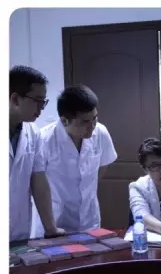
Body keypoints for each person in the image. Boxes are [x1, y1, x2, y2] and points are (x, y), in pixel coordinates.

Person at [32, 85, 117, 237]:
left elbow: (104, 164)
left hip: (89, 218)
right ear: (65, 121)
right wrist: (50, 226)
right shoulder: (44, 140)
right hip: (55, 220)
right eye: (85, 122)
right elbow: (36, 182)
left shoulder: (101, 133)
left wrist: (86, 189)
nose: (92, 126)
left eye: (95, 118)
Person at [9, 66, 64, 242]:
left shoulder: (33, 132)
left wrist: (50, 228)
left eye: (44, 102)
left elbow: (38, 179)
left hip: (18, 231)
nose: (42, 108)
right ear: (15, 99)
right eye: (37, 101)